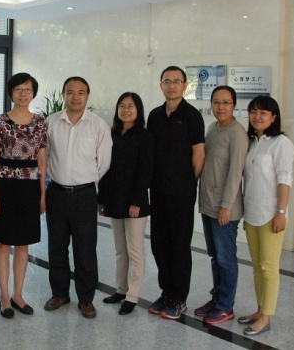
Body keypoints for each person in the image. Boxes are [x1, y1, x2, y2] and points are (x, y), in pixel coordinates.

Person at [44, 76, 112, 319]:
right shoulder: (51, 122)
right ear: (64, 94)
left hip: (84, 195)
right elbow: (45, 156)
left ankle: (86, 299)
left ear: (87, 96)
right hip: (56, 193)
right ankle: (60, 293)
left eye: (81, 92)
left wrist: (85, 180)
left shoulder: (98, 125)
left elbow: (103, 163)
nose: (75, 97)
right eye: (70, 92)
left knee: (85, 249)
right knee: (57, 246)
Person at [0, 73, 47, 319]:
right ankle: (4, 296)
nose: (23, 93)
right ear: (11, 92)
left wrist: (42, 193)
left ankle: (18, 295)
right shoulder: (1, 122)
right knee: (3, 243)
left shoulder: (40, 123)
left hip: (30, 187)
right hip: (5, 186)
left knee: (23, 244)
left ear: (33, 93)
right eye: (18, 89)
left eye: (28, 89)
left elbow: (42, 160)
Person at [146, 65, 205, 320]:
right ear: (161, 85)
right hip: (158, 192)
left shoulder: (192, 116)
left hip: (182, 194)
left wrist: (189, 184)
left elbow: (199, 154)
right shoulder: (154, 116)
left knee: (179, 247)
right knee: (160, 245)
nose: (172, 85)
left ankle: (179, 298)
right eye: (167, 81)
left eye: (177, 81)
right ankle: (166, 293)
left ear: (185, 85)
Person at [239, 95, 294, 336]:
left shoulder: (281, 143)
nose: (257, 116)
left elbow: (285, 179)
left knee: (269, 266)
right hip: (251, 212)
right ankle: (259, 309)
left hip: (271, 213)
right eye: (253, 112)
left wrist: (281, 212)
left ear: (273, 117)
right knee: (257, 266)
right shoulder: (251, 142)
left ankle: (266, 317)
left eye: (263, 112)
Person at [195, 85, 248, 325]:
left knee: (226, 258)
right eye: (216, 102)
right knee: (215, 256)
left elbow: (236, 173)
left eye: (226, 102)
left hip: (225, 208)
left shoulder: (237, 133)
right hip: (209, 204)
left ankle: (226, 306)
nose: (220, 107)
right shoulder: (212, 128)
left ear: (234, 105)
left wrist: (226, 205)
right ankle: (216, 299)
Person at [97, 92, 153, 316]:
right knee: (120, 250)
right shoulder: (112, 134)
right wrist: (102, 199)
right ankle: (121, 289)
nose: (126, 110)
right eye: (122, 106)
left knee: (135, 250)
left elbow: (146, 171)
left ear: (138, 110)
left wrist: (137, 201)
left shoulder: (144, 136)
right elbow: (104, 168)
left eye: (130, 106)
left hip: (134, 202)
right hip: (114, 199)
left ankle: (133, 295)